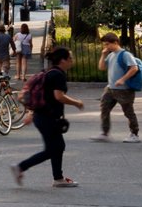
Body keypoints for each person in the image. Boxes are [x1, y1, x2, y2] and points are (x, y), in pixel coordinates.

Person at [10, 48, 85, 188]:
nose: (72, 61)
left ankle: (58, 178)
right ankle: (20, 167)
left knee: (58, 146)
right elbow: (58, 96)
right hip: (47, 118)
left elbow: (41, 95)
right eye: (70, 58)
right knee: (53, 149)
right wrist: (77, 103)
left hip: (43, 116)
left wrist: (31, 113)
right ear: (63, 60)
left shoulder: (48, 72)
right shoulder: (58, 75)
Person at [96, 32, 141, 141]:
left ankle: (134, 134)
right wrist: (103, 55)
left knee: (128, 112)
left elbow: (134, 68)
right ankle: (105, 133)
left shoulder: (125, 54)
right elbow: (101, 67)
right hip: (110, 88)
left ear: (115, 42)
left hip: (124, 90)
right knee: (104, 109)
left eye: (107, 44)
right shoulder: (111, 55)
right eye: (104, 45)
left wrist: (122, 79)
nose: (106, 47)